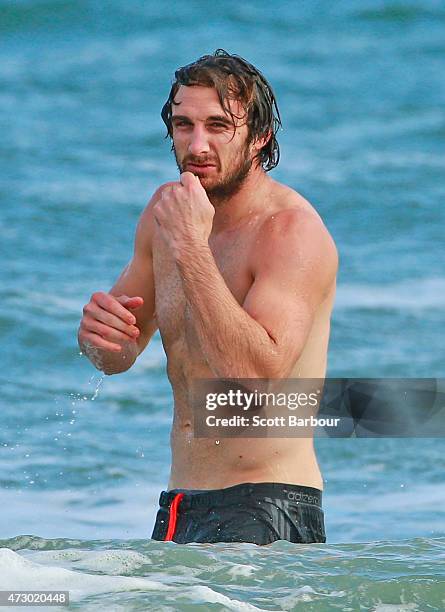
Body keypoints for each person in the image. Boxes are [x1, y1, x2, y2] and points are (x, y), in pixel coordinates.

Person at [78, 49, 338, 545]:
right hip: (178, 503)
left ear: (259, 136)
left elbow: (255, 384)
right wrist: (99, 338)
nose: (197, 145)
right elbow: (116, 353)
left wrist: (192, 248)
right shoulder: (166, 210)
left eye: (218, 126)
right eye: (183, 125)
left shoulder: (290, 232)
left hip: (267, 505)